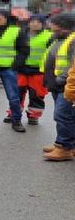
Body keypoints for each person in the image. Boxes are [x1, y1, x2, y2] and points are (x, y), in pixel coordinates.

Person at [4, 15, 52, 125]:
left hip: (38, 70)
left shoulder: (49, 36)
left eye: (38, 22)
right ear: (28, 23)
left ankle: (33, 115)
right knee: (16, 93)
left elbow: (51, 54)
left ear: (43, 24)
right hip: (20, 68)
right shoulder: (20, 35)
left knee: (37, 95)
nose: (35, 24)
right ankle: (13, 113)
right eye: (33, 21)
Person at [42, 13, 75, 161]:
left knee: (62, 115)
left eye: (55, 25)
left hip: (65, 84)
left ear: (65, 26)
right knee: (65, 116)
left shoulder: (72, 40)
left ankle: (64, 148)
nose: (52, 27)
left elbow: (71, 64)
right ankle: (64, 143)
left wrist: (60, 80)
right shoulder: (59, 39)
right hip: (57, 83)